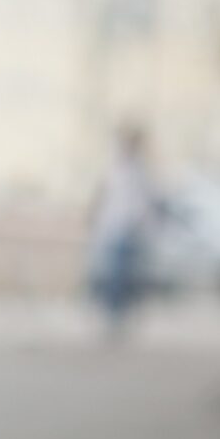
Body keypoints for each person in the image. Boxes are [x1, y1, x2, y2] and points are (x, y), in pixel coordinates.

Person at [88, 123, 163, 338]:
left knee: (127, 276)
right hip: (116, 228)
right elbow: (104, 194)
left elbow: (146, 200)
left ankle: (120, 316)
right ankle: (113, 316)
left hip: (131, 229)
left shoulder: (140, 169)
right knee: (116, 275)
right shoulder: (117, 166)